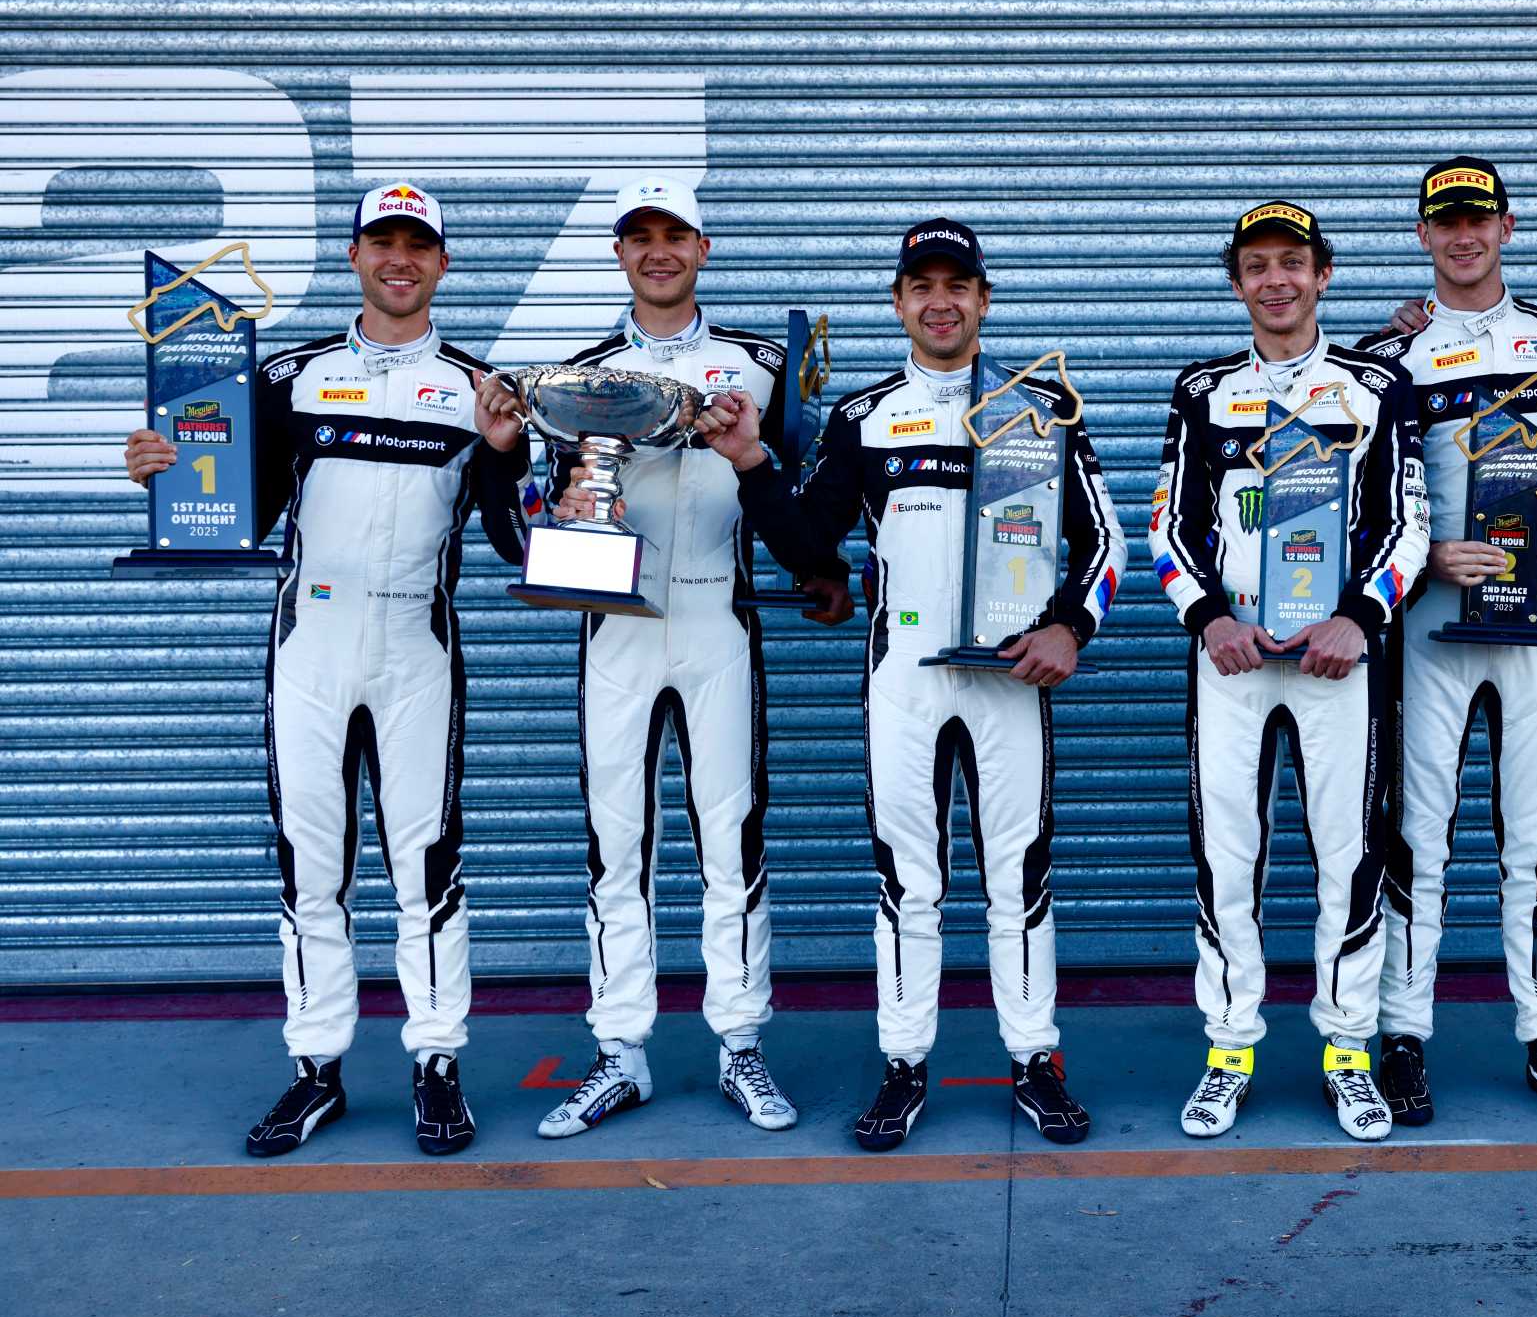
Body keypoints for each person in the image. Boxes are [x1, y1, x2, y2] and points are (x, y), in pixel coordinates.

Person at [122, 182, 531, 1157]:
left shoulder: (481, 388)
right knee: (312, 863)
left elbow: (515, 541)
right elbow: (234, 513)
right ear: (354, 257)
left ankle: (437, 1065)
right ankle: (317, 1070)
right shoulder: (288, 378)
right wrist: (163, 469)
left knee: (426, 862)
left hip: (417, 648)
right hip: (309, 643)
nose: (399, 260)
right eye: (382, 242)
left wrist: (509, 453)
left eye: (417, 245)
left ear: (442, 264)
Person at [710, 219, 1126, 1152]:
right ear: (899, 303)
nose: (941, 303)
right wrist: (751, 464)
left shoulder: (1041, 405)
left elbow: (1104, 542)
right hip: (903, 681)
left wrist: (1070, 625)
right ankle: (903, 1065)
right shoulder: (864, 415)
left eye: (957, 285)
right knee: (908, 880)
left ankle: (1035, 1060)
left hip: (1009, 681)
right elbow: (809, 542)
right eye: (922, 286)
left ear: (984, 299)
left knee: (1020, 873)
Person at [532, 176, 854, 1141]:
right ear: (619, 253)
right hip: (616, 629)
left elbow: (804, 505)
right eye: (640, 236)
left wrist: (826, 572)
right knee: (616, 845)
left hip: (721, 621)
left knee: (731, 840)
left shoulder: (765, 364)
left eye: (675, 234)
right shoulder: (578, 375)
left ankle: (739, 1044)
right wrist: (557, 514)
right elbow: (544, 513)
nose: (658, 251)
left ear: (703, 248)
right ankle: (619, 1052)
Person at [1150, 201, 1430, 1142]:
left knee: (1349, 856)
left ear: (1323, 274)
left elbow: (1409, 523)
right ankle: (1229, 1050)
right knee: (1228, 855)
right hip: (1232, 658)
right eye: (1257, 266)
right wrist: (1208, 616)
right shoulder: (1202, 390)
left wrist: (1359, 618)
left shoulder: (1377, 386)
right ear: (1238, 283)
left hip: (1335, 661)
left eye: (1293, 263)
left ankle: (1348, 1052)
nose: (1277, 280)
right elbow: (1170, 524)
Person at [1354, 157, 1537, 1129]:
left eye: (1478, 218)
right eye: (1445, 222)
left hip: (1536, 624)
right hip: (1427, 627)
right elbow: (1353, 504)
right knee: (1416, 837)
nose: (1463, 236)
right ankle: (1403, 1036)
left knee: (1536, 836)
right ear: (1423, 235)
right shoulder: (1387, 356)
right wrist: (1421, 561)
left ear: (1507, 226)